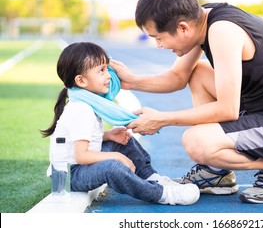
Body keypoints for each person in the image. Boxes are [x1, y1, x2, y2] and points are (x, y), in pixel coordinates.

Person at [110, 0, 263, 204]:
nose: (159, 45)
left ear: (183, 28)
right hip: (260, 112)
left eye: (159, 38)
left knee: (196, 141)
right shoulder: (200, 19)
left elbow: (227, 110)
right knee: (198, 72)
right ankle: (216, 173)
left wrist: (162, 119)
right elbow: (178, 77)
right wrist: (132, 81)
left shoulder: (222, 31)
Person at [40, 41, 200, 205]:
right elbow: (81, 156)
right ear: (81, 81)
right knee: (112, 167)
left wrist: (108, 135)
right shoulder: (81, 109)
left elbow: (81, 138)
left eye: (106, 69)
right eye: (101, 71)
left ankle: (153, 178)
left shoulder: (89, 102)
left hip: (79, 166)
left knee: (124, 139)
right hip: (70, 175)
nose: (108, 75)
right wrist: (116, 156)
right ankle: (162, 194)